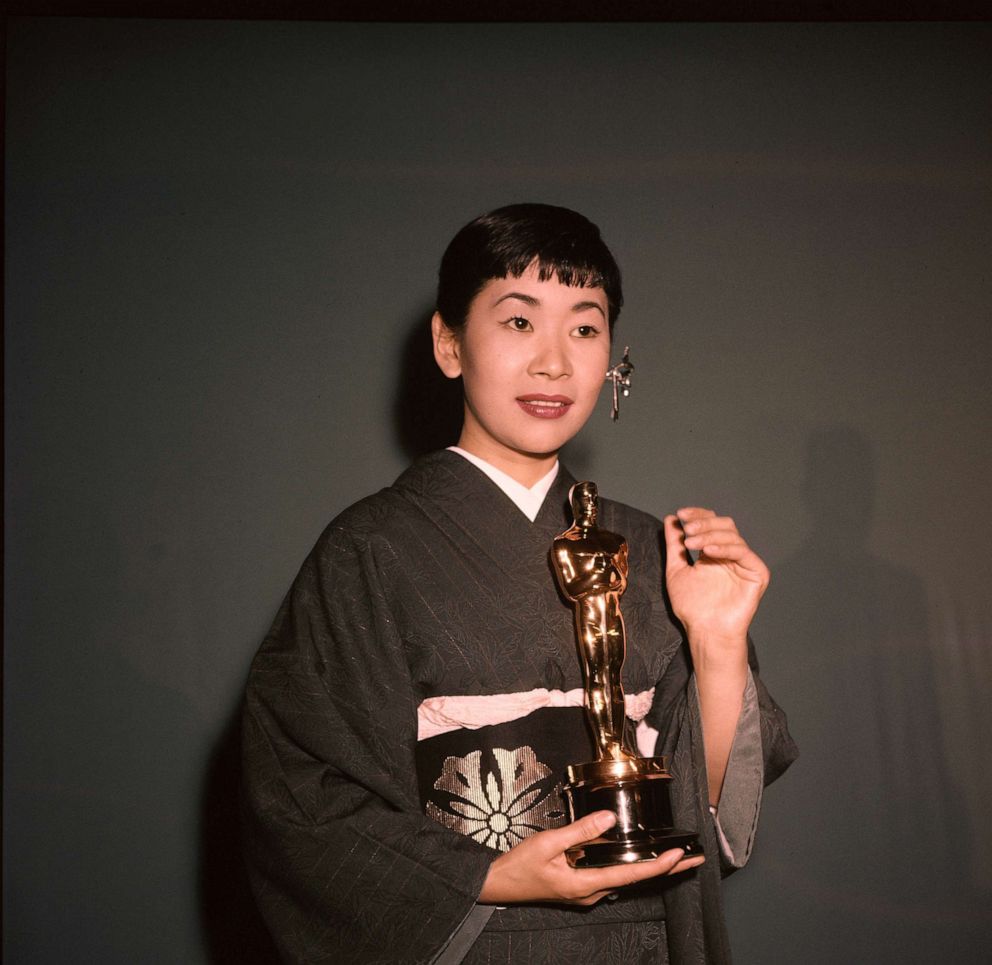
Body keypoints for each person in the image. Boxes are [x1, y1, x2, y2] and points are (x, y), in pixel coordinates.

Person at [242, 203, 797, 964]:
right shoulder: (369, 551)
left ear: (614, 358)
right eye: (517, 322)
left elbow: (700, 813)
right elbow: (300, 796)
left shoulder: (650, 547)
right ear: (448, 343)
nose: (554, 363)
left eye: (584, 326)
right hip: (477, 942)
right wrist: (494, 874)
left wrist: (719, 643)